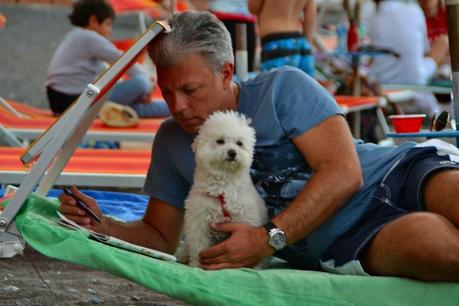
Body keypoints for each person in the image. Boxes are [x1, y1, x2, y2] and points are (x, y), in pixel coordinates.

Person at [59, 11, 459, 281]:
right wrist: (103, 225)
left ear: (226, 72)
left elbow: (344, 172)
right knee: (439, 248)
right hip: (348, 238)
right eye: (166, 92)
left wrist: (269, 238)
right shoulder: (171, 141)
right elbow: (160, 236)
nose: (177, 106)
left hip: (394, 172)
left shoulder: (282, 87)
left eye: (190, 90)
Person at [45, 0, 170, 118]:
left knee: (134, 110)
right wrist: (148, 84)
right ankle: (176, 108)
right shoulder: (89, 37)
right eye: (107, 24)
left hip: (62, 101)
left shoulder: (76, 35)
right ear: (93, 20)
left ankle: (171, 108)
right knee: (140, 82)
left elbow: (109, 74)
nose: (109, 31)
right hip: (74, 102)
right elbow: (124, 61)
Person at [365, 0, 449, 114]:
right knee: (443, 42)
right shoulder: (414, 10)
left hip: (383, 84)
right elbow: (424, 53)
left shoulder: (372, 17)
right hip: (415, 82)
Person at [248, 0, 316, 76]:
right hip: (301, 44)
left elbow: (253, 8)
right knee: (302, 86)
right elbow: (310, 16)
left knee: (274, 86)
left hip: (276, 44)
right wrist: (307, 47)